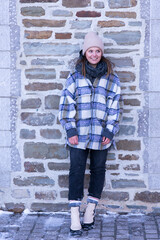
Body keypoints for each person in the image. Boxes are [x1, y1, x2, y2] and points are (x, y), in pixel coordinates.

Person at [59, 31, 122, 236]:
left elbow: (115, 107)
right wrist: (70, 130)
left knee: (98, 170)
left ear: (101, 53)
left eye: (97, 51)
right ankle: (75, 215)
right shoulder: (75, 76)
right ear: (84, 52)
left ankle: (90, 211)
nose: (94, 54)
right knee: (76, 171)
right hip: (79, 134)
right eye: (90, 51)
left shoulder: (111, 78)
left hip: (101, 135)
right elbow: (66, 104)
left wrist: (109, 131)